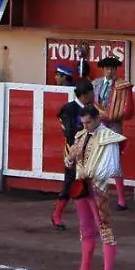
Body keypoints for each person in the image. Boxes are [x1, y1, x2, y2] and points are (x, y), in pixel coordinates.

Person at [62, 105, 126, 270]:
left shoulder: (109, 137)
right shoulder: (81, 136)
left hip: (98, 187)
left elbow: (112, 167)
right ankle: (85, 269)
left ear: (98, 119)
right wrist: (70, 159)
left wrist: (89, 173)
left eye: (89, 122)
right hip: (81, 187)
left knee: (104, 229)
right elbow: (72, 155)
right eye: (83, 123)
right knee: (86, 228)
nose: (86, 126)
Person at [52, 80, 96, 231]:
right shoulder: (69, 109)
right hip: (74, 150)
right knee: (70, 182)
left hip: (88, 150)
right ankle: (57, 215)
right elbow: (69, 133)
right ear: (85, 95)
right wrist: (76, 151)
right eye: (91, 92)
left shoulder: (89, 108)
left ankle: (89, 217)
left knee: (87, 183)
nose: (93, 95)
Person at [92, 56, 135, 210]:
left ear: (116, 69)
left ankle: (121, 200)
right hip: (99, 124)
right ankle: (99, 197)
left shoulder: (121, 85)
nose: (109, 71)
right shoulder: (96, 83)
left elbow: (125, 107)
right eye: (107, 68)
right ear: (103, 69)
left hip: (114, 126)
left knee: (114, 160)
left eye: (112, 68)